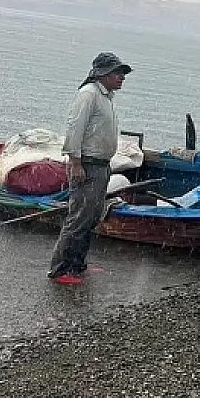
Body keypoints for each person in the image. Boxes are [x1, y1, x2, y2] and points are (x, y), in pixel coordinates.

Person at [47, 52, 132, 285]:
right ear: (102, 74)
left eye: (122, 73)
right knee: (79, 218)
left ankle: (77, 263)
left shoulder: (106, 97)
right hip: (87, 164)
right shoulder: (88, 95)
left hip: (101, 164)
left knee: (92, 217)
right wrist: (75, 162)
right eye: (117, 73)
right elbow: (75, 129)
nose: (121, 77)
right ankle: (60, 269)